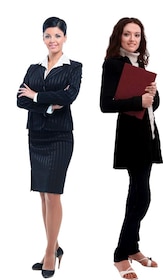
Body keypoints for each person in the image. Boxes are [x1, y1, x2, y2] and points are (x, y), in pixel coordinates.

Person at [17, 16, 82, 279]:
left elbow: (69, 97)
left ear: (65, 37)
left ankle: (48, 253)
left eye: (57, 35)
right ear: (43, 38)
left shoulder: (73, 67)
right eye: (48, 36)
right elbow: (19, 100)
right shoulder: (34, 68)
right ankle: (54, 247)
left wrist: (36, 95)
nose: (52, 40)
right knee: (42, 195)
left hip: (60, 137)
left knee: (53, 194)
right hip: (36, 136)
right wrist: (44, 103)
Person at [99, 17, 163, 280]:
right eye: (127, 34)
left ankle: (133, 248)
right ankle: (120, 254)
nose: (133, 39)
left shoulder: (140, 63)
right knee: (140, 196)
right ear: (119, 36)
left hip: (148, 135)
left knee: (139, 194)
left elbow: (153, 105)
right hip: (131, 137)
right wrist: (140, 99)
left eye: (137, 35)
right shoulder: (113, 64)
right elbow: (105, 104)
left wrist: (154, 94)